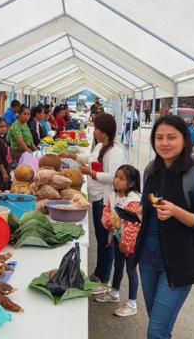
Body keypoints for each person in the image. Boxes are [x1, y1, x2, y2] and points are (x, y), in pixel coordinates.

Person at [135, 115, 194, 339]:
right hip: (147, 259)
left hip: (179, 262)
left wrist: (176, 211)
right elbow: (145, 207)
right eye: (159, 137)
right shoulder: (152, 170)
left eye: (172, 137)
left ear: (184, 139)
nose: (165, 143)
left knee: (156, 331)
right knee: (157, 324)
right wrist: (137, 211)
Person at [60, 113, 125, 288]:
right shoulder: (101, 146)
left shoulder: (115, 151)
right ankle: (99, 272)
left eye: (96, 128)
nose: (94, 131)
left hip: (105, 200)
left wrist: (92, 173)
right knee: (101, 236)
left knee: (106, 240)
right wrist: (72, 156)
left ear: (104, 131)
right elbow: (90, 159)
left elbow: (115, 177)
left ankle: (104, 276)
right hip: (96, 197)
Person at [97, 164, 143, 317]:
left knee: (131, 270)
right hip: (117, 238)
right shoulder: (113, 195)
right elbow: (106, 213)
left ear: (130, 183)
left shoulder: (134, 201)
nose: (116, 180)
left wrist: (126, 245)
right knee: (118, 265)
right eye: (116, 177)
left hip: (130, 244)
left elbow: (133, 226)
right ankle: (114, 293)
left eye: (121, 178)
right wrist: (108, 223)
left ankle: (132, 303)